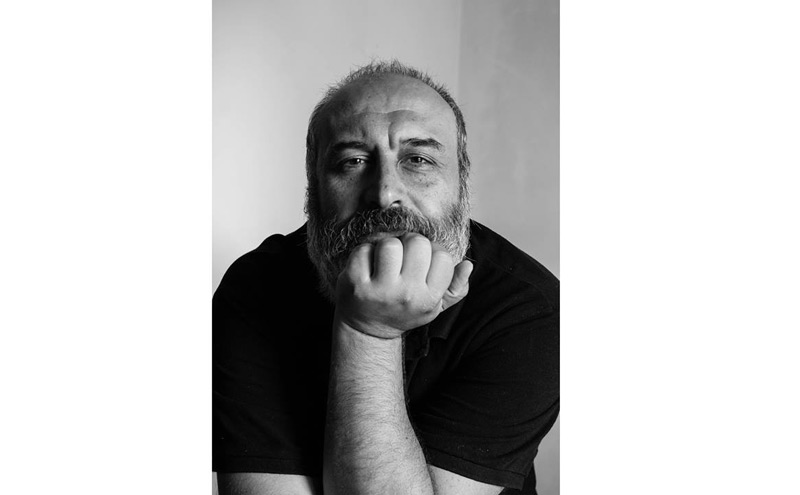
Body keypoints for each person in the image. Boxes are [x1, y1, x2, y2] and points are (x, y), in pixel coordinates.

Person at [213, 60, 559, 495]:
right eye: (353, 161)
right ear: (313, 184)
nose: (384, 193)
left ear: (461, 179)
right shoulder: (254, 289)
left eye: (418, 159)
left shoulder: (529, 309)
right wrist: (368, 329)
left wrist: (370, 333)